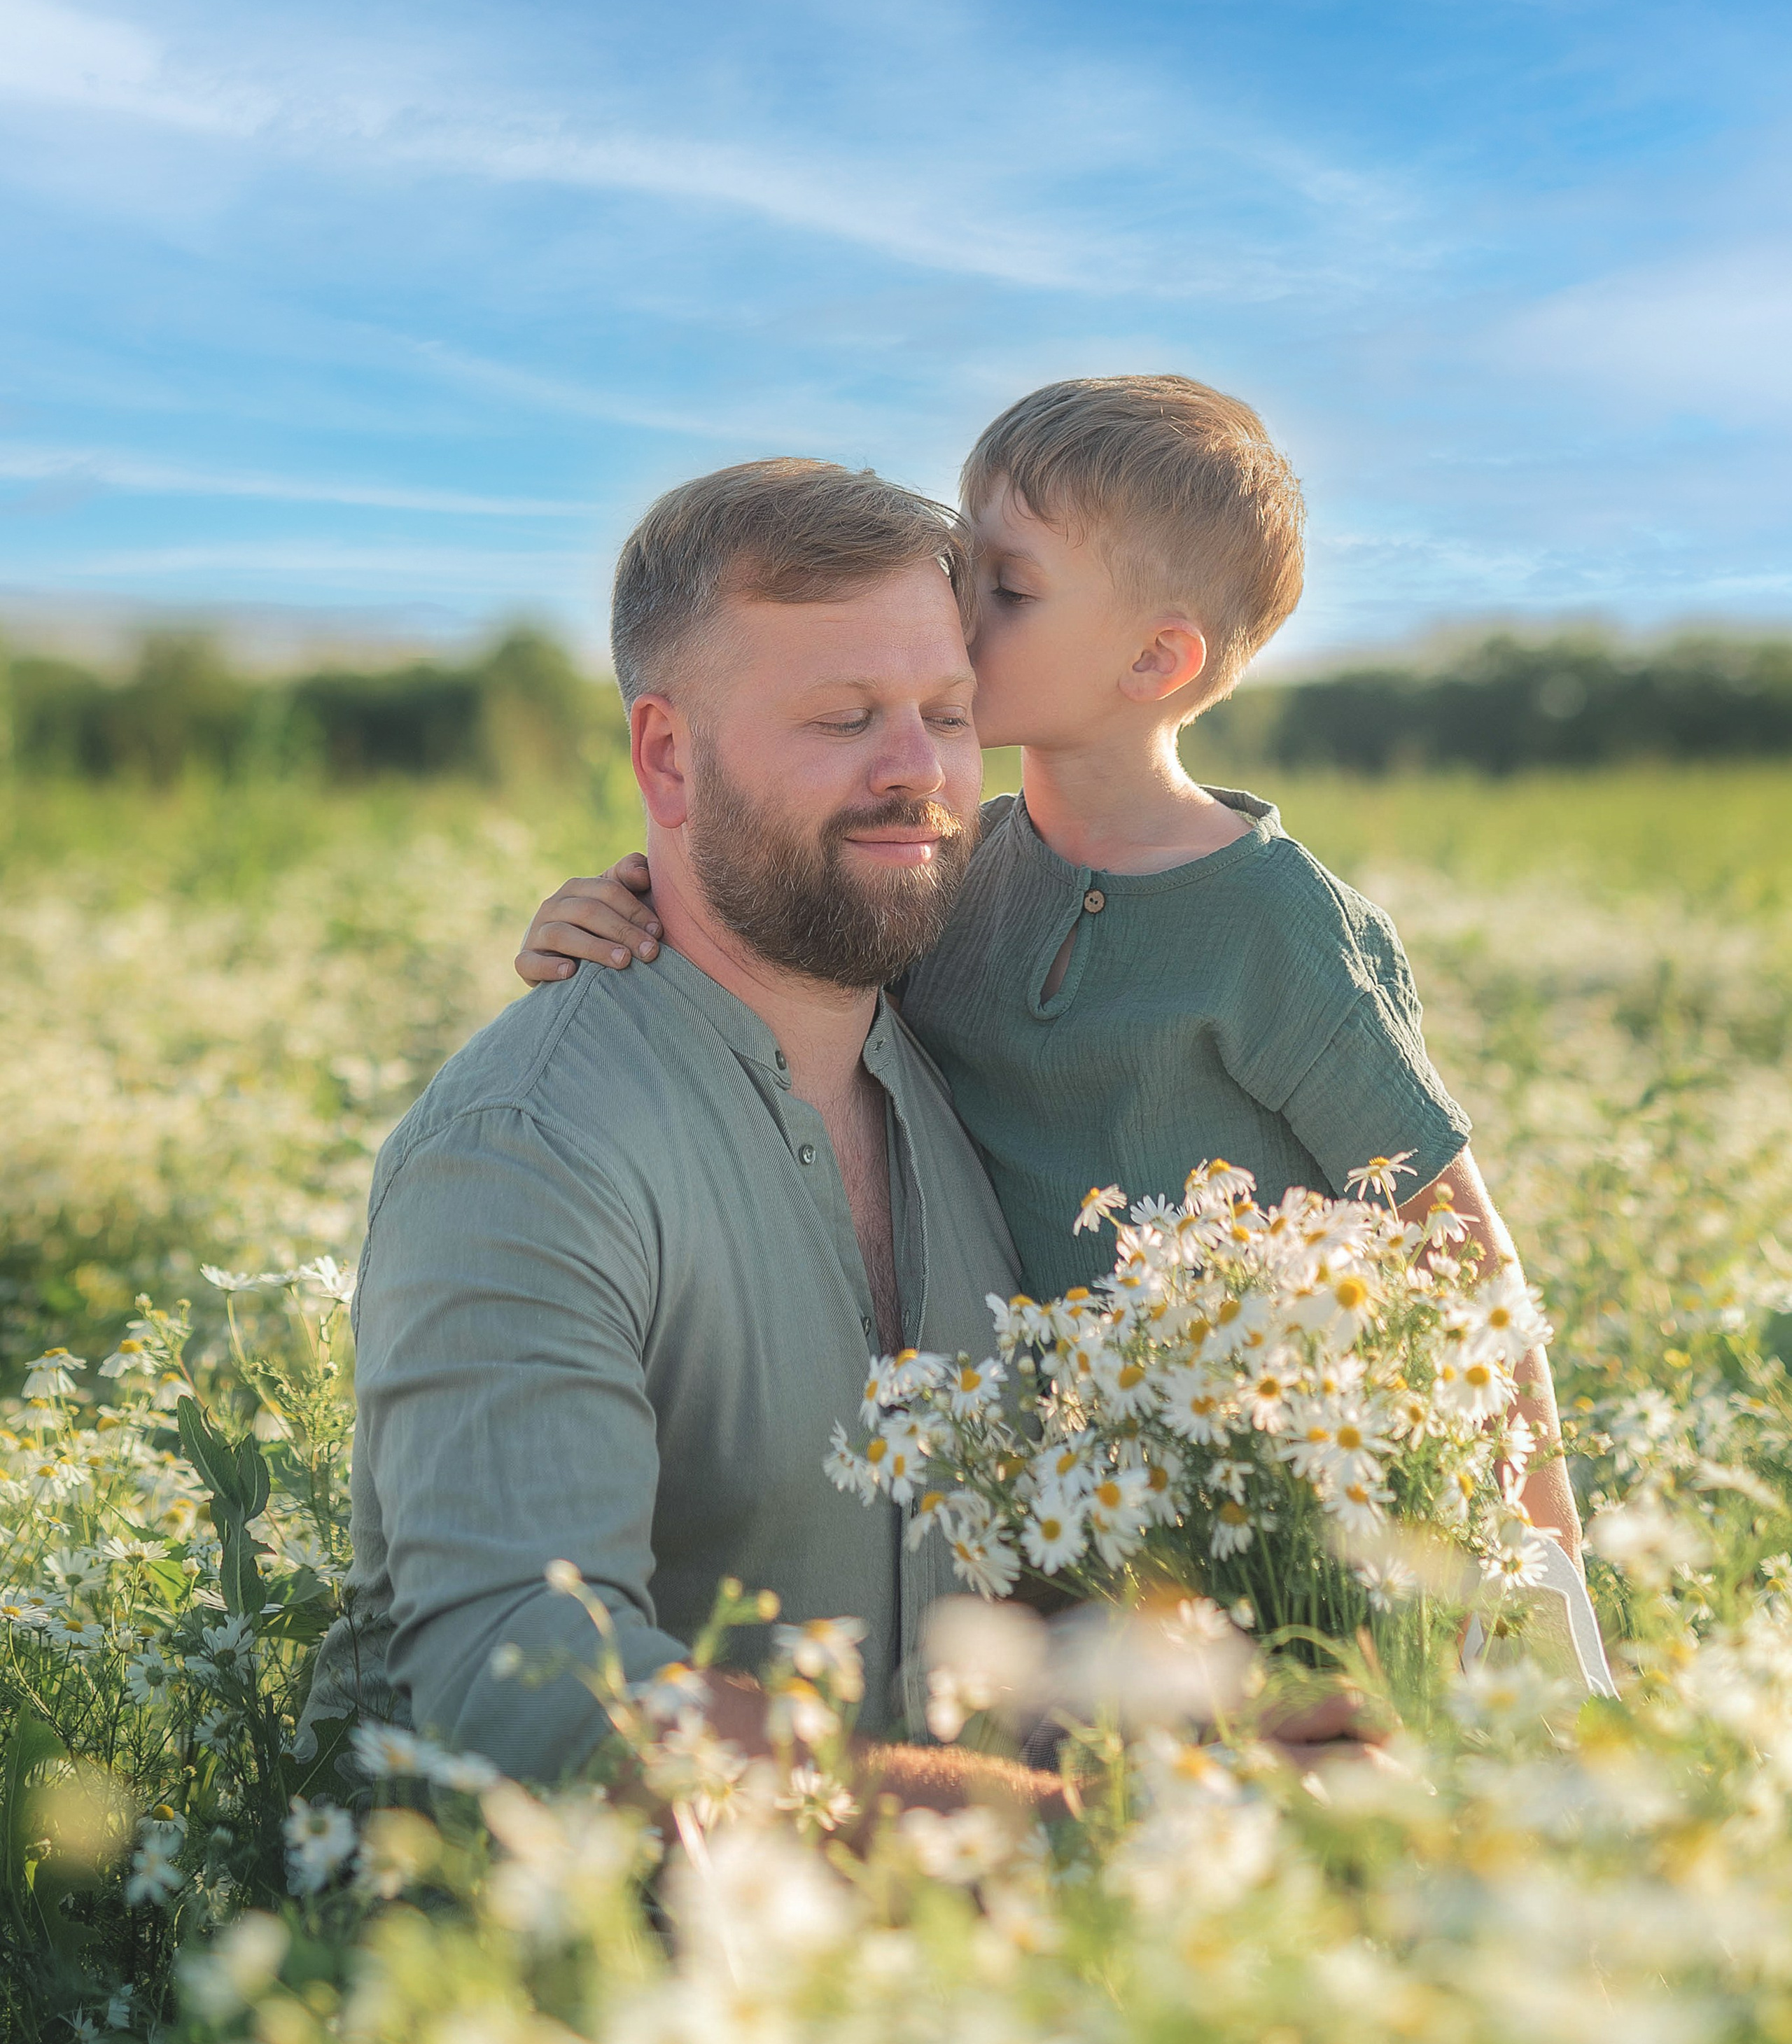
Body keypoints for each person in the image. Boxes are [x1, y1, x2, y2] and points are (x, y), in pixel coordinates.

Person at [519, 376, 1582, 1566]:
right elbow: (778, 928)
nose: (960, 613)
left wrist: (1539, 1584)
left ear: (1155, 658)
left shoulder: (1275, 921)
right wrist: (620, 907)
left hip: (1279, 1527)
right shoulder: (953, 863)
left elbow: (1459, 1247)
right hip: (1034, 1528)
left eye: (1010, 589)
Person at [304, 458, 1046, 1802]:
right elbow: (528, 1678)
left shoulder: (974, 1048)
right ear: (666, 756)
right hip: (572, 1976)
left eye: (948, 712)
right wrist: (1030, 1824)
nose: (917, 771)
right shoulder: (529, 1147)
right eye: (842, 717)